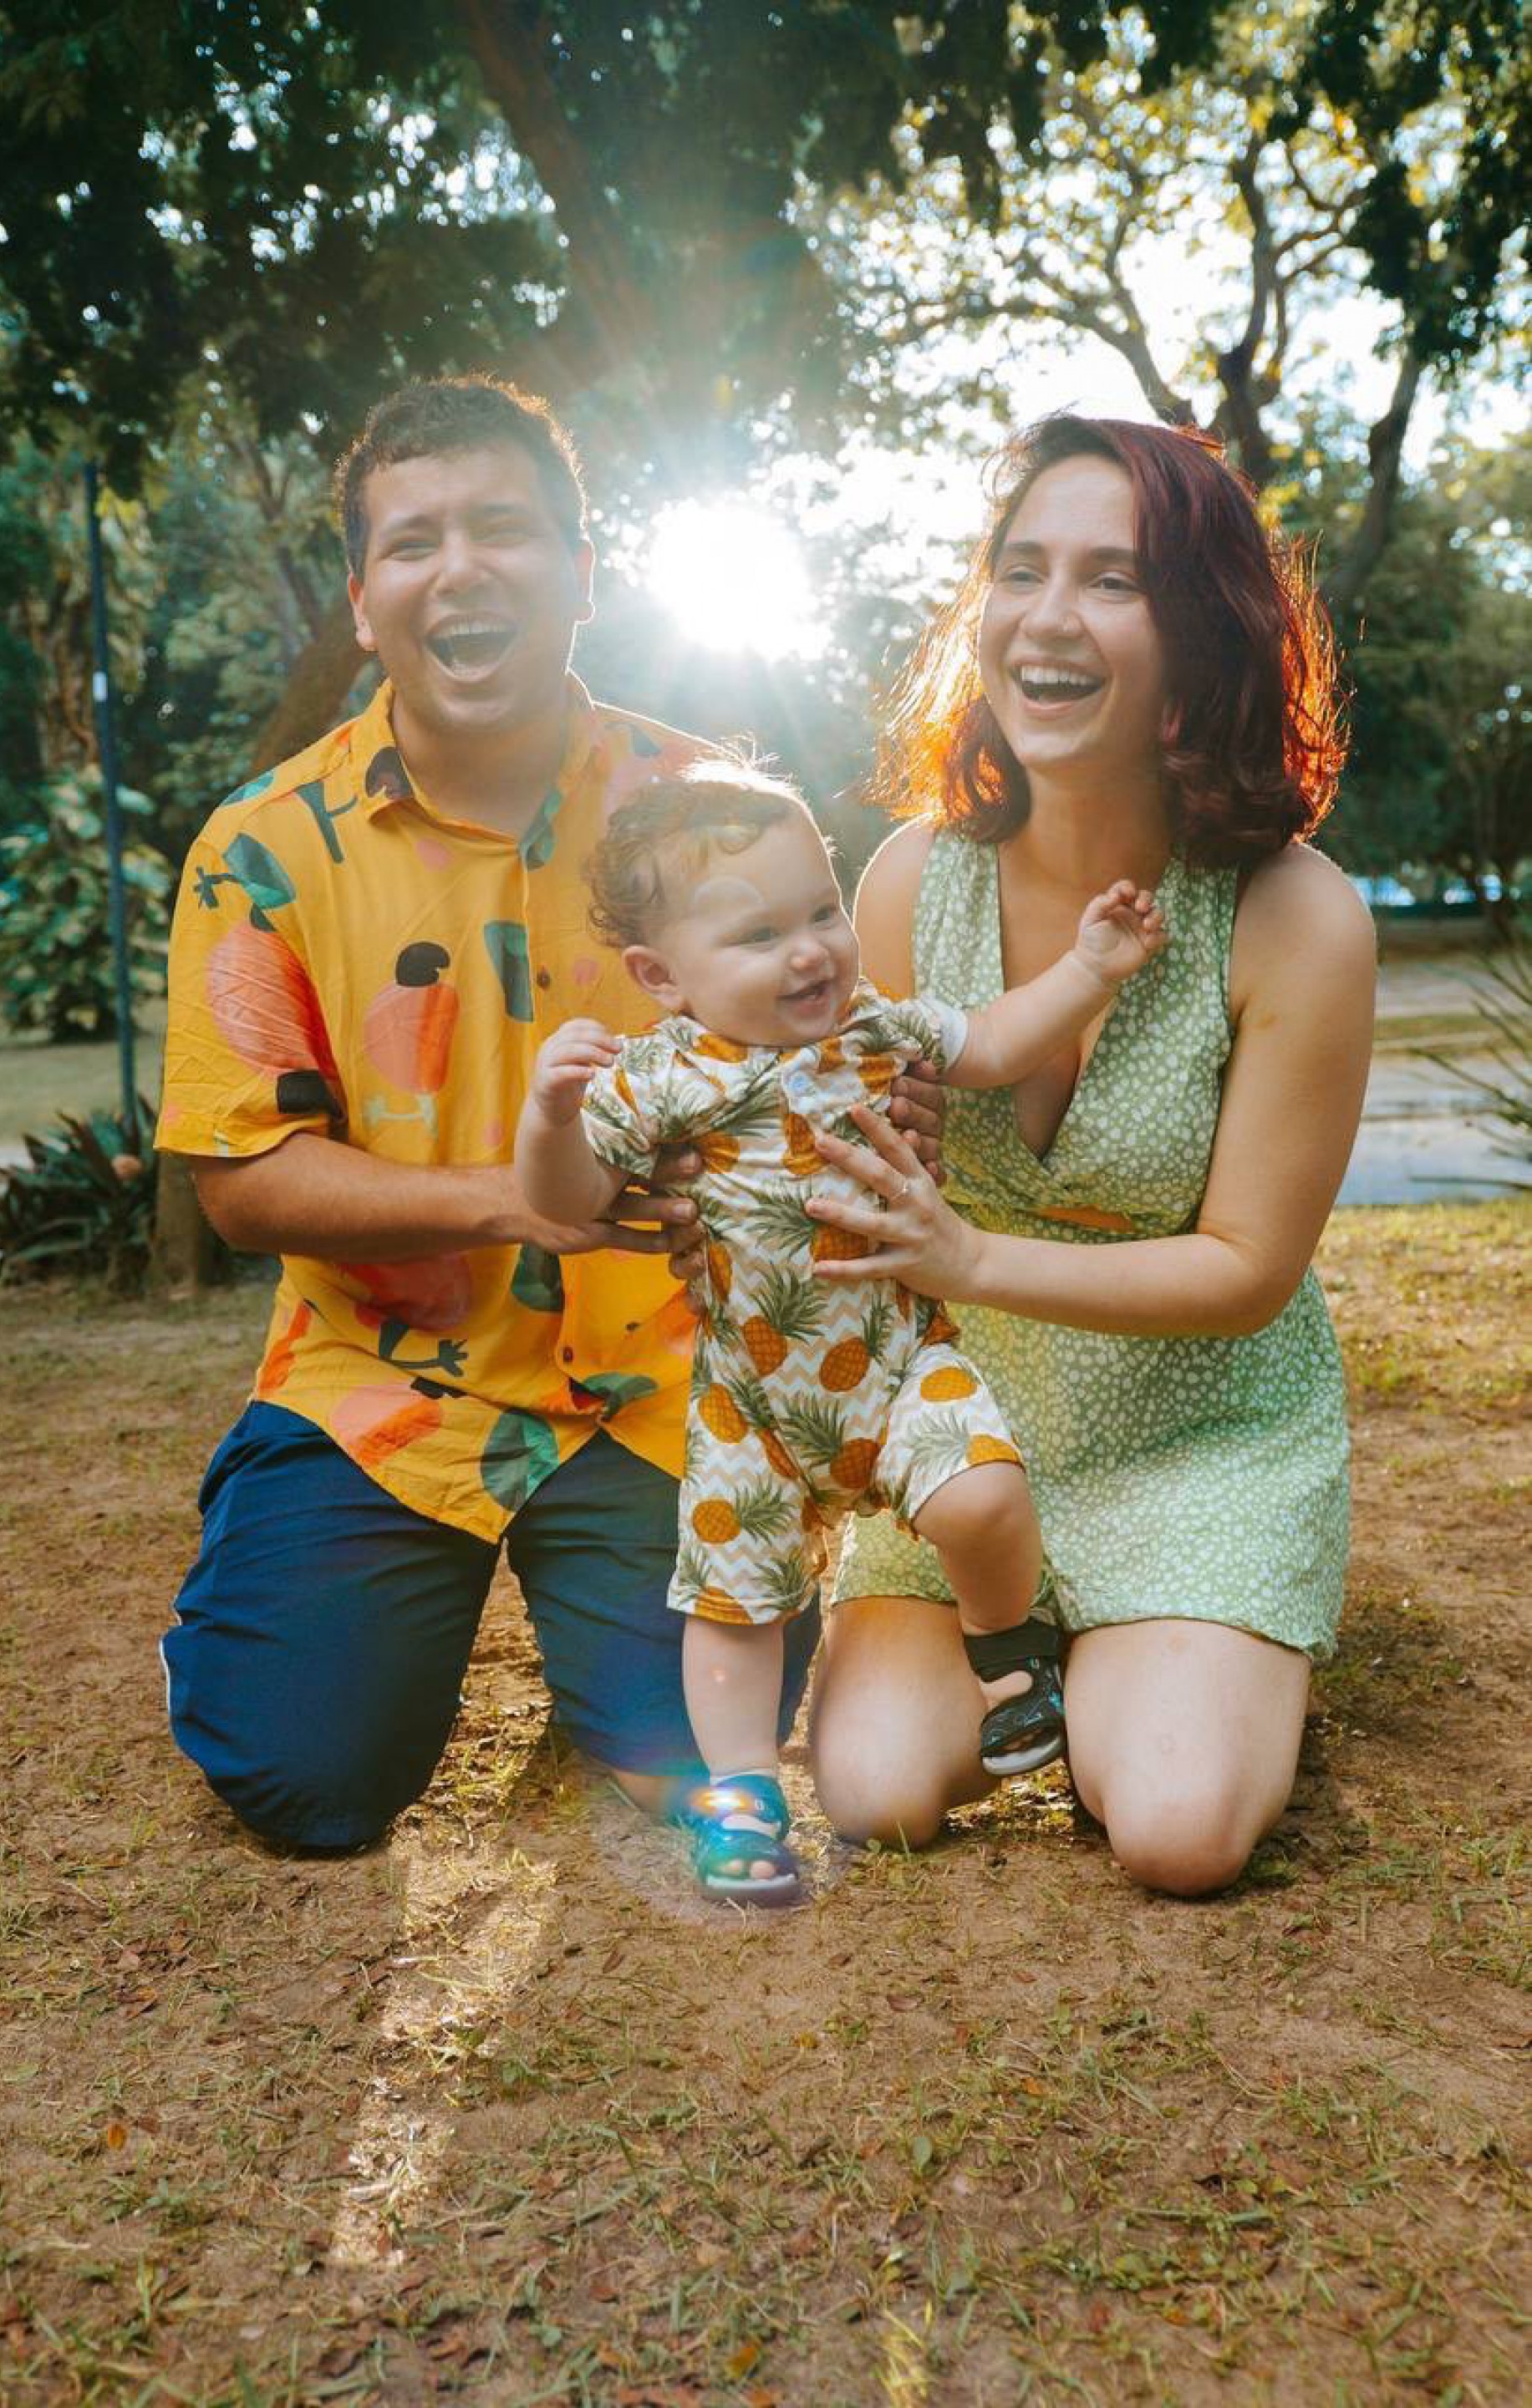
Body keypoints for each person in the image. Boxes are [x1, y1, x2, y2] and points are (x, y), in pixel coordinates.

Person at [154, 375, 840, 1850]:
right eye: (411, 543)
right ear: (362, 601)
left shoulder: (709, 807)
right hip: (381, 1384)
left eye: (503, 529)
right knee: (298, 1780)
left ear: (583, 575)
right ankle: (289, 1605)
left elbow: (811, 1060)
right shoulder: (259, 849)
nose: (458, 569)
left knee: (704, 1747)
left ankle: (606, 1655)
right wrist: (505, 1199)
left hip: (662, 1380)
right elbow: (245, 1181)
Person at [797, 414, 1376, 1898]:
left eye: (1112, 581)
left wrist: (973, 1253)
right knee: (874, 1790)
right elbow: (863, 1186)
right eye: (1021, 569)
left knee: (1177, 1828)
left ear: (1205, 629)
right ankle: (1049, 1641)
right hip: (970, 1446)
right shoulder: (911, 880)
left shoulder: (1291, 915)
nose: (1047, 620)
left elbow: (1250, 1271)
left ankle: (1171, 1641)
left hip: (1202, 1431)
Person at [514, 765, 1166, 1902]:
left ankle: (1013, 1660)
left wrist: (1089, 968)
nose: (810, 950)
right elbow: (566, 1202)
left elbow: (995, 1042)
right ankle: (744, 1791)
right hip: (754, 1407)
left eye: (821, 910)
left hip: (901, 1359)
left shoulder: (875, 1027)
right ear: (661, 976)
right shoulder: (666, 1073)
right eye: (760, 934)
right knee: (735, 1604)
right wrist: (549, 1114)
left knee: (984, 1496)